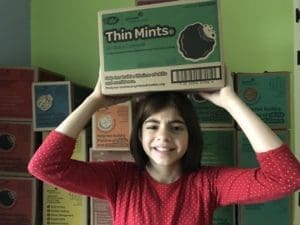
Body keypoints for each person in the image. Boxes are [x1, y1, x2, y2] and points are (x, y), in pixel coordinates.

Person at [28, 70, 300, 225]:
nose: (163, 136)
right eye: (152, 126)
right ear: (139, 133)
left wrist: (231, 102)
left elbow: (287, 177)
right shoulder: (120, 179)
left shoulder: (208, 184)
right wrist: (95, 100)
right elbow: (43, 166)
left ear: (190, 135)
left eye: (176, 127)